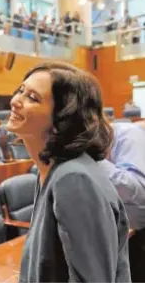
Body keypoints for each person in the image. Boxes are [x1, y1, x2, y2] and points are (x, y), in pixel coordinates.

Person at [8, 62, 131, 282]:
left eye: (32, 97)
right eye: (21, 90)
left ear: (62, 119)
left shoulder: (74, 179)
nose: (15, 101)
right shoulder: (51, 170)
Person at [98, 122, 145, 282]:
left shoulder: (126, 135)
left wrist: (91, 158)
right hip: (100, 239)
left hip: (136, 238)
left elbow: (139, 191)